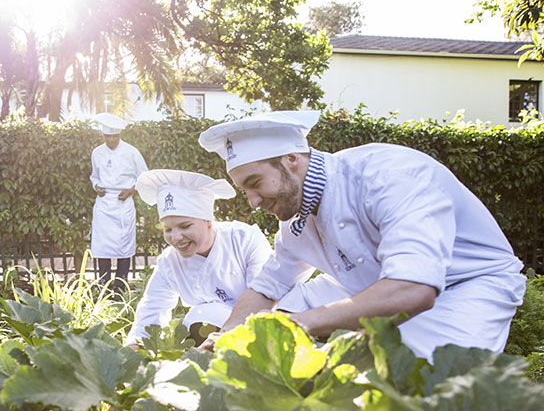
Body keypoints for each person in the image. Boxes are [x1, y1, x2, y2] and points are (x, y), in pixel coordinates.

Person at [197, 110, 526, 361]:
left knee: (421, 382)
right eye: (246, 191)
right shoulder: (295, 215)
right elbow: (266, 288)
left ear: (291, 160)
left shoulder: (387, 176)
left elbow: (413, 290)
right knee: (280, 314)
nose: (253, 203)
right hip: (373, 283)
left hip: (465, 286)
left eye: (255, 184)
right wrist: (227, 334)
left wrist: (299, 325)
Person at [125, 169, 272, 347]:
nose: (176, 237)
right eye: (168, 229)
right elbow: (152, 308)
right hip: (201, 332)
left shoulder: (243, 239)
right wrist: (135, 347)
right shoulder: (169, 262)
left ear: (208, 221)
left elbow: (265, 294)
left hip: (259, 330)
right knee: (201, 318)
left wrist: (231, 333)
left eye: (185, 226)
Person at [89, 113, 148, 292]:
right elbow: (94, 176)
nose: (110, 140)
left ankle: (121, 287)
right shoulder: (97, 153)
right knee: (102, 247)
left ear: (119, 136)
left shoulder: (132, 152)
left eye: (114, 137)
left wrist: (131, 191)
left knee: (124, 247)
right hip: (104, 203)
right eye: (107, 137)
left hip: (124, 204)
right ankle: (104, 287)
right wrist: (96, 186)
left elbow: (144, 177)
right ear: (103, 136)